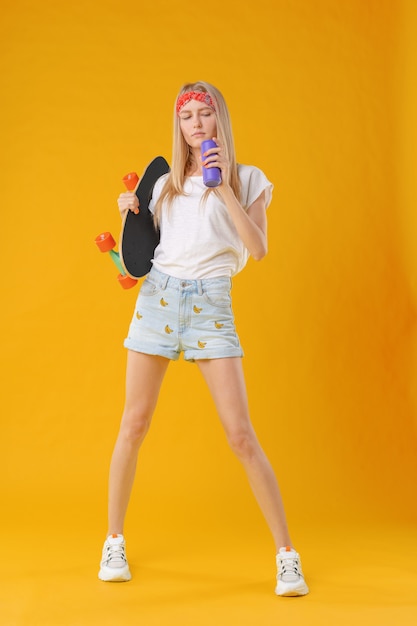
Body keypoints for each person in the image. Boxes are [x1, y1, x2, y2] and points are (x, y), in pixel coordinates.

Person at [98, 81, 309, 597]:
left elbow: (257, 249)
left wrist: (223, 190)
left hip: (212, 306)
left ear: (219, 119)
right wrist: (131, 209)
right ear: (180, 126)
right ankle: (113, 539)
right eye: (187, 115)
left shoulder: (249, 179)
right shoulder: (166, 182)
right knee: (134, 423)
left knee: (241, 435)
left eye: (204, 113)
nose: (195, 123)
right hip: (159, 298)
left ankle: (287, 556)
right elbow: (141, 251)